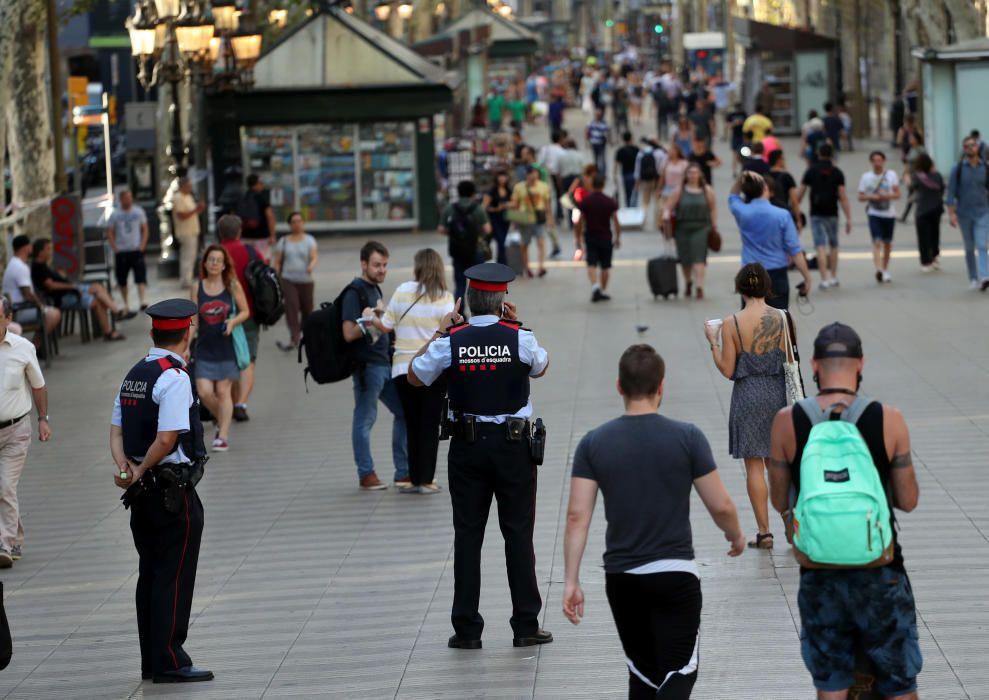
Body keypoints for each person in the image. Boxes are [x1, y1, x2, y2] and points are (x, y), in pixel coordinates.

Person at [563, 344, 745, 699]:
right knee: (678, 673)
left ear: (619, 387)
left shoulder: (593, 443)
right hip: (675, 574)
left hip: (622, 579)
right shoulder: (687, 437)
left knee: (643, 676)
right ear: (662, 386)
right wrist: (736, 535)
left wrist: (571, 581)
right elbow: (721, 505)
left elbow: (576, 516)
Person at [768, 322, 922, 700]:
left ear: (815, 366)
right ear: (860, 363)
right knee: (899, 683)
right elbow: (908, 500)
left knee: (832, 684)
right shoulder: (890, 419)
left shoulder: (787, 421)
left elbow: (778, 498)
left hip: (820, 573)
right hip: (880, 572)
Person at [408, 263, 551, 651]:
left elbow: (415, 376)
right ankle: (525, 624)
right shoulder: (519, 337)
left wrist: (441, 329)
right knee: (518, 534)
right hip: (514, 448)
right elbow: (540, 366)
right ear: (503, 299)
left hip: (468, 449)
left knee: (468, 536)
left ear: (468, 301)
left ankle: (468, 629)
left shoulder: (451, 340)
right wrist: (518, 326)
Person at [111, 299, 213, 684]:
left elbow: (115, 431)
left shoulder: (135, 373)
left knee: (150, 573)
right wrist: (141, 468)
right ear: (187, 333)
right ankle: (171, 658)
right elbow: (168, 438)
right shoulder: (175, 377)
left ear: (153, 332)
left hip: (142, 494)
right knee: (174, 574)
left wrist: (127, 468)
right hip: (172, 491)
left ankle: (152, 659)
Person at [706, 264, 796, 550]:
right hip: (778, 394)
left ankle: (764, 532)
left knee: (754, 466)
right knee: (777, 464)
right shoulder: (784, 318)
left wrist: (713, 343)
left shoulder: (732, 323)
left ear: (741, 289)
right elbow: (791, 361)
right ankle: (789, 522)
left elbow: (728, 370)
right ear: (767, 287)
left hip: (748, 394)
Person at [374, 249, 454, 494]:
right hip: (433, 371)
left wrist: (373, 314)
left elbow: (385, 326)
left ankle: (413, 477)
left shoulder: (402, 291)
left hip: (402, 369)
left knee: (411, 422)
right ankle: (426, 480)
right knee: (430, 425)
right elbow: (449, 335)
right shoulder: (445, 298)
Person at [342, 241, 408, 491]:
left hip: (384, 364)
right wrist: (373, 320)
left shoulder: (374, 290)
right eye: (377, 265)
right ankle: (366, 473)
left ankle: (403, 472)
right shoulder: (354, 292)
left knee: (403, 411)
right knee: (365, 417)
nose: (382, 270)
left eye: (385, 265)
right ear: (364, 264)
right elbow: (348, 333)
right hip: (367, 366)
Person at [0, 295, 49, 568]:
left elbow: (38, 386)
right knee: (2, 487)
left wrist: (43, 419)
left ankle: (4, 544)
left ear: (8, 319)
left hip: (16, 428)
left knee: (5, 484)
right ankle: (14, 537)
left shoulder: (22, 348)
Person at [191, 245, 249, 453]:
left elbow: (245, 312)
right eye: (211, 260)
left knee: (223, 391)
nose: (214, 263)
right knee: (205, 392)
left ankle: (222, 436)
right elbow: (194, 320)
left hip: (226, 347)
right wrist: (186, 345)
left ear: (224, 265)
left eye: (218, 260)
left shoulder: (231, 284)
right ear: (205, 263)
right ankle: (223, 417)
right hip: (205, 347)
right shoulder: (197, 286)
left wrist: (233, 322)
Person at [728, 172, 812, 309]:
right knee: (777, 319)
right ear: (766, 189)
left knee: (750, 318)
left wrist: (741, 177)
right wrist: (807, 277)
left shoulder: (742, 211)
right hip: (776, 272)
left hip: (750, 271)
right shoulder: (782, 215)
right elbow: (795, 250)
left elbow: (733, 196)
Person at [29, 238, 126, 341]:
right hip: (62, 297)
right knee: (97, 300)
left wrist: (61, 276)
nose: (50, 252)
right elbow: (51, 285)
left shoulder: (43, 265)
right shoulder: (38, 267)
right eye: (48, 249)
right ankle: (111, 325)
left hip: (68, 292)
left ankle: (114, 316)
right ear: (40, 252)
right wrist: (71, 286)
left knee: (97, 288)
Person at [217, 215, 263, 422]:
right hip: (250, 312)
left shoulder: (214, 255)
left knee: (231, 360)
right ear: (239, 232)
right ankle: (240, 403)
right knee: (248, 359)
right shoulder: (251, 251)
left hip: (220, 316)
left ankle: (232, 401)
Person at [797, 143, 853, 289]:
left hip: (816, 213)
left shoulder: (811, 171)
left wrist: (795, 211)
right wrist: (849, 218)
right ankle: (834, 277)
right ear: (832, 154)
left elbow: (800, 193)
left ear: (818, 153)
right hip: (832, 213)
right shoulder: (837, 172)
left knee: (820, 246)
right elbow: (843, 196)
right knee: (833, 245)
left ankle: (824, 279)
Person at [663, 163, 717, 300]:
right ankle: (688, 281)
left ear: (700, 175)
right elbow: (668, 206)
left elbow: (713, 209)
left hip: (701, 227)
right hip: (682, 228)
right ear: (686, 175)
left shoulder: (707, 190)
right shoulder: (679, 190)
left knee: (698, 258)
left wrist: (714, 225)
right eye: (690, 173)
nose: (692, 175)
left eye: (695, 172)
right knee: (685, 259)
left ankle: (699, 286)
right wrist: (666, 216)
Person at [946, 134, 989, 290]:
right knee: (970, 247)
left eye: (973, 145)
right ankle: (973, 277)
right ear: (964, 150)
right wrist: (951, 213)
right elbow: (950, 192)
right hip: (964, 213)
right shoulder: (957, 169)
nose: (970, 148)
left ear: (978, 147)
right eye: (967, 146)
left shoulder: (985, 167)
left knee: (982, 244)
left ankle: (985, 276)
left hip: (983, 211)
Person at [441, 180, 492, 305]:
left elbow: (441, 229)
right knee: (479, 285)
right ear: (472, 193)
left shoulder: (450, 208)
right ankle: (481, 312)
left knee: (460, 284)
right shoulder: (478, 208)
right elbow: (487, 229)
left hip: (457, 251)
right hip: (476, 250)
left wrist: (456, 233)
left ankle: (459, 314)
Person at [2, 235, 62, 341]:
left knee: (50, 310)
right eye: (30, 245)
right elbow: (28, 294)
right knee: (54, 314)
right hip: (20, 310)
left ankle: (35, 348)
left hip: (15, 309)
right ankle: (34, 347)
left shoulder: (14, 264)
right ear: (25, 247)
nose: (32, 247)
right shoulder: (19, 267)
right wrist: (41, 307)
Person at [273, 212, 317, 351]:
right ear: (290, 225)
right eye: (294, 222)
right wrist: (276, 275)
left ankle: (306, 335)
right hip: (288, 279)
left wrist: (311, 265)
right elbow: (278, 261)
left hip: (306, 280)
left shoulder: (309, 240)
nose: (297, 224)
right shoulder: (284, 241)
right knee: (292, 306)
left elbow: (314, 256)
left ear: (303, 223)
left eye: (299, 221)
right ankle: (294, 337)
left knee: (307, 310)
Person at [575, 173, 621, 302]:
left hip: (590, 236)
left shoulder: (586, 201)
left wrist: (578, 238)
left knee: (591, 263)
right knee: (605, 266)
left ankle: (595, 286)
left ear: (592, 184)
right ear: (603, 185)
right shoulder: (609, 201)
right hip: (606, 237)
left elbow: (579, 221)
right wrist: (618, 237)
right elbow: (616, 221)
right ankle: (602, 290)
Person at [858, 151, 901, 284]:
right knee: (877, 241)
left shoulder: (891, 175)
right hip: (874, 213)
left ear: (884, 161)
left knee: (887, 242)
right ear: (871, 162)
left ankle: (885, 268)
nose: (877, 163)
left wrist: (886, 195)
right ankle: (879, 269)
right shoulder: (866, 177)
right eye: (874, 161)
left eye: (879, 160)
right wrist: (872, 197)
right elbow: (860, 196)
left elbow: (898, 194)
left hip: (889, 213)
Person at [107, 189, 150, 314]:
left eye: (130, 198)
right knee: (122, 279)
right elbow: (110, 231)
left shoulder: (139, 211)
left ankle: (142, 301)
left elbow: (145, 229)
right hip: (122, 250)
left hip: (136, 249)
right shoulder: (115, 214)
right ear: (121, 200)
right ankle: (126, 303)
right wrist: (115, 248)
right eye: (126, 198)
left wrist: (142, 245)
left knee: (140, 276)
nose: (128, 200)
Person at [510, 166, 552, 278]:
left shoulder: (543, 186)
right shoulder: (519, 187)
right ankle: (527, 267)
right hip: (524, 218)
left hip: (539, 218)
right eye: (531, 173)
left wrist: (550, 218)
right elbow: (515, 204)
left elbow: (547, 203)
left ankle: (541, 266)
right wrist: (515, 219)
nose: (534, 176)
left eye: (535, 173)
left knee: (541, 242)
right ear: (527, 175)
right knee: (525, 244)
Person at [908, 153, 945, 272]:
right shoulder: (937, 175)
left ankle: (925, 261)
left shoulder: (917, 176)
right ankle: (935, 256)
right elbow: (942, 188)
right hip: (936, 208)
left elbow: (912, 188)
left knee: (923, 237)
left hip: (922, 210)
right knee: (935, 233)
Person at [171, 177, 206, 289]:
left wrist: (200, 208)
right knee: (187, 256)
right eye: (189, 185)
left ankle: (188, 278)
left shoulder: (189, 196)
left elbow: (194, 213)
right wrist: (196, 209)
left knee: (191, 256)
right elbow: (181, 215)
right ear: (183, 186)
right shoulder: (178, 198)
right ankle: (186, 280)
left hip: (193, 230)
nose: (190, 188)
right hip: (185, 231)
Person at [237, 174, 277, 258]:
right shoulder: (261, 198)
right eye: (261, 183)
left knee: (247, 259)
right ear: (257, 183)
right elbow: (270, 216)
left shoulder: (243, 197)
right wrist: (272, 235)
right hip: (261, 237)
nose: (262, 185)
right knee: (263, 259)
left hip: (245, 236)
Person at [482, 170, 513, 266]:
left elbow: (514, 202)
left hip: (505, 220)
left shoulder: (509, 190)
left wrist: (507, 205)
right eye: (500, 176)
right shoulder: (492, 191)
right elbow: (483, 207)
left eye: (504, 176)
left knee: (502, 241)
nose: (502, 178)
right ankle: (502, 264)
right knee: (501, 241)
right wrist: (496, 209)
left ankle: (501, 263)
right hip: (493, 220)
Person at [635, 139, 665, 230]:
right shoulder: (660, 153)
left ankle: (643, 221)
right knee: (658, 201)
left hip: (645, 180)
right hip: (657, 179)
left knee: (645, 202)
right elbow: (662, 167)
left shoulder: (641, 153)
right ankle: (658, 222)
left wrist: (637, 182)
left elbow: (638, 168)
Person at [767, 149, 799, 225]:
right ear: (779, 160)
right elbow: (794, 200)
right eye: (783, 159)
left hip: (768, 213)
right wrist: (798, 219)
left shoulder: (765, 176)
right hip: (783, 212)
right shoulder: (787, 177)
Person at [658, 142, 688, 217]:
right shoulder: (666, 163)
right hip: (668, 189)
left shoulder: (684, 163)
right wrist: (659, 189)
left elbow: (687, 177)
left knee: (678, 210)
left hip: (680, 189)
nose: (672, 152)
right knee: (665, 210)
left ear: (678, 152)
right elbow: (662, 177)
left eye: (673, 151)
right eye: (670, 151)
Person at [614, 131, 640, 207]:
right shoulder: (636, 149)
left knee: (627, 193)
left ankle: (628, 206)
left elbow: (616, 164)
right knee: (635, 192)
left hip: (625, 174)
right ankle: (634, 206)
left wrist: (614, 175)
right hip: (635, 174)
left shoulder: (620, 150)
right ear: (631, 138)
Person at [587, 109, 610, 174]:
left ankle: (603, 172)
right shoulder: (591, 123)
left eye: (599, 115)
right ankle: (597, 170)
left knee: (602, 157)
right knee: (595, 157)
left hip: (601, 143)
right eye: (597, 115)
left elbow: (607, 132)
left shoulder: (604, 123)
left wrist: (609, 140)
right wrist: (588, 141)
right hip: (594, 142)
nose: (598, 116)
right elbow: (588, 132)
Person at [726, 102, 747, 174]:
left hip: (742, 136)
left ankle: (743, 169)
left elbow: (747, 123)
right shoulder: (731, 115)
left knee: (744, 154)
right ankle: (734, 171)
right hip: (735, 136)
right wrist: (735, 123)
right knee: (734, 155)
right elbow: (728, 125)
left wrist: (742, 123)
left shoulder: (744, 114)